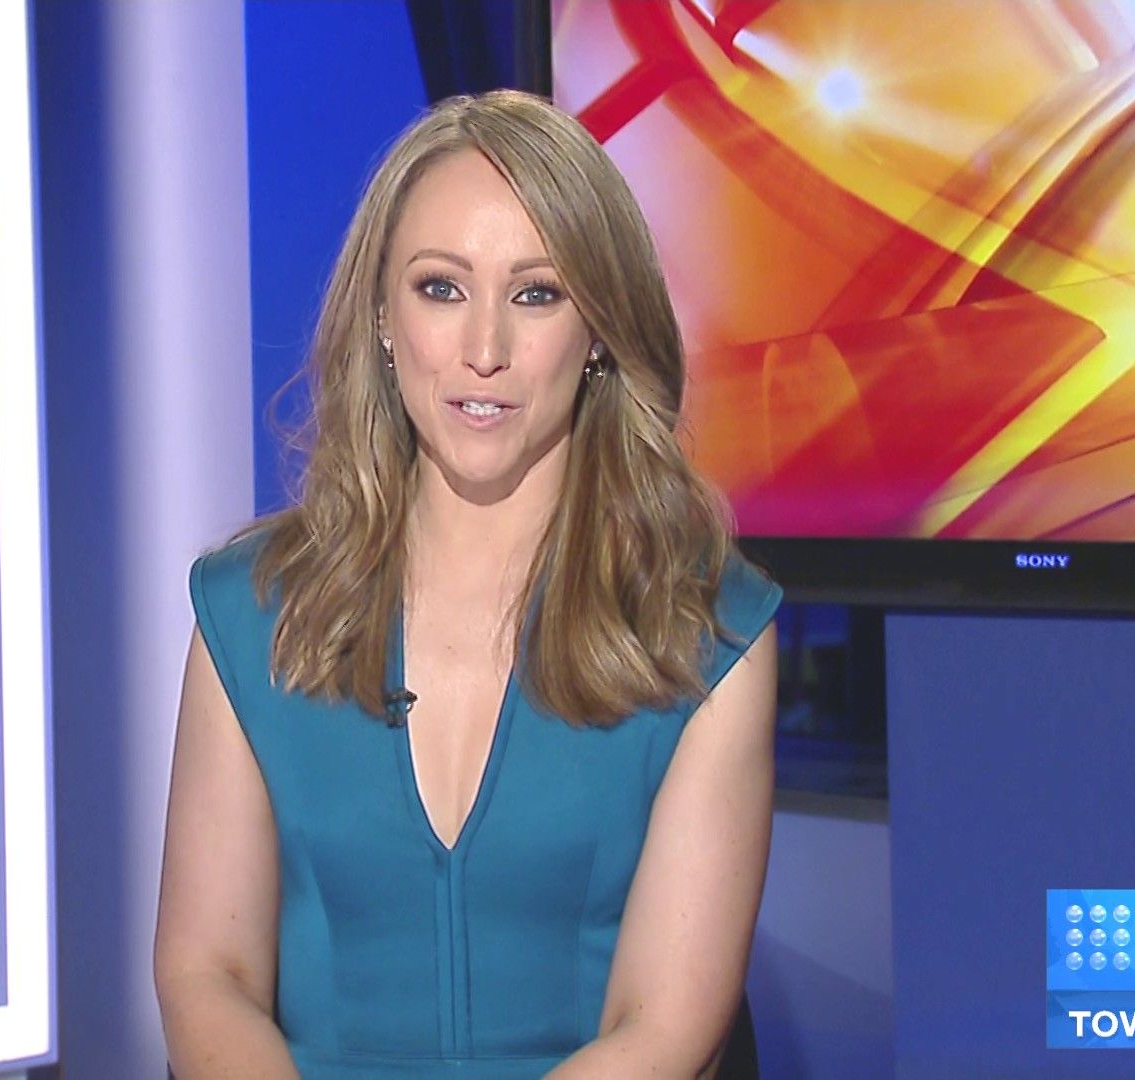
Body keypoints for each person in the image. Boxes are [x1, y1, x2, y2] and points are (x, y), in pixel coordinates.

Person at [154, 88, 781, 1079]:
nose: (484, 350)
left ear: (600, 327)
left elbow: (662, 1030)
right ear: (383, 315)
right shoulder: (249, 615)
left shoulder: (708, 631)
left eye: (537, 294)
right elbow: (207, 975)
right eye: (441, 288)